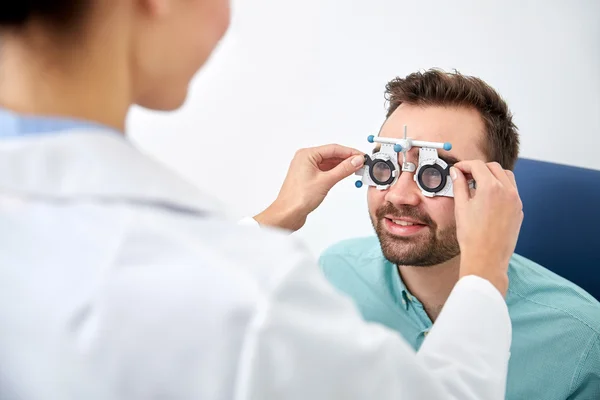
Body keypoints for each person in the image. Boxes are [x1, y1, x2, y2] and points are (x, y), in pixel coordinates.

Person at [0, 1, 524, 399]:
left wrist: (272, 220)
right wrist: (483, 276)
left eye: (435, 174)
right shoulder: (269, 292)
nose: (403, 191)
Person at [255, 69, 600, 400]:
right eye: (384, 166)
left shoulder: (581, 339)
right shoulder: (336, 271)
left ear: (497, 191)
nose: (399, 195)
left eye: (436, 175)